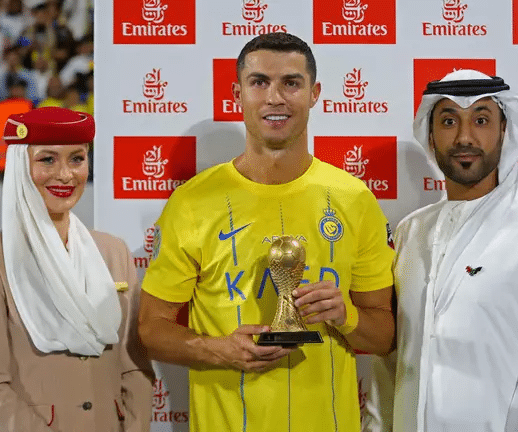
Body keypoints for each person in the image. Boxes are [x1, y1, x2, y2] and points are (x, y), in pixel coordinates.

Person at [138, 32, 396, 432]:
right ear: (237, 93)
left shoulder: (354, 199)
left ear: (315, 93)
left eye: (291, 83)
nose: (275, 97)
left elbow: (384, 337)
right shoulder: (192, 202)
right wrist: (218, 350)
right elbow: (150, 330)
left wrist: (346, 315)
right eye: (259, 82)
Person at [391, 69, 518, 431]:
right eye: (449, 121)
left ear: (504, 131)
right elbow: (398, 360)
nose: (465, 137)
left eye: (481, 120)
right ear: (431, 136)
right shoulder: (411, 232)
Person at [0, 107, 154, 431]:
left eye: (77, 159)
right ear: (21, 167)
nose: (65, 175)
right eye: (47, 160)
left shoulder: (113, 251)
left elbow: (134, 365)